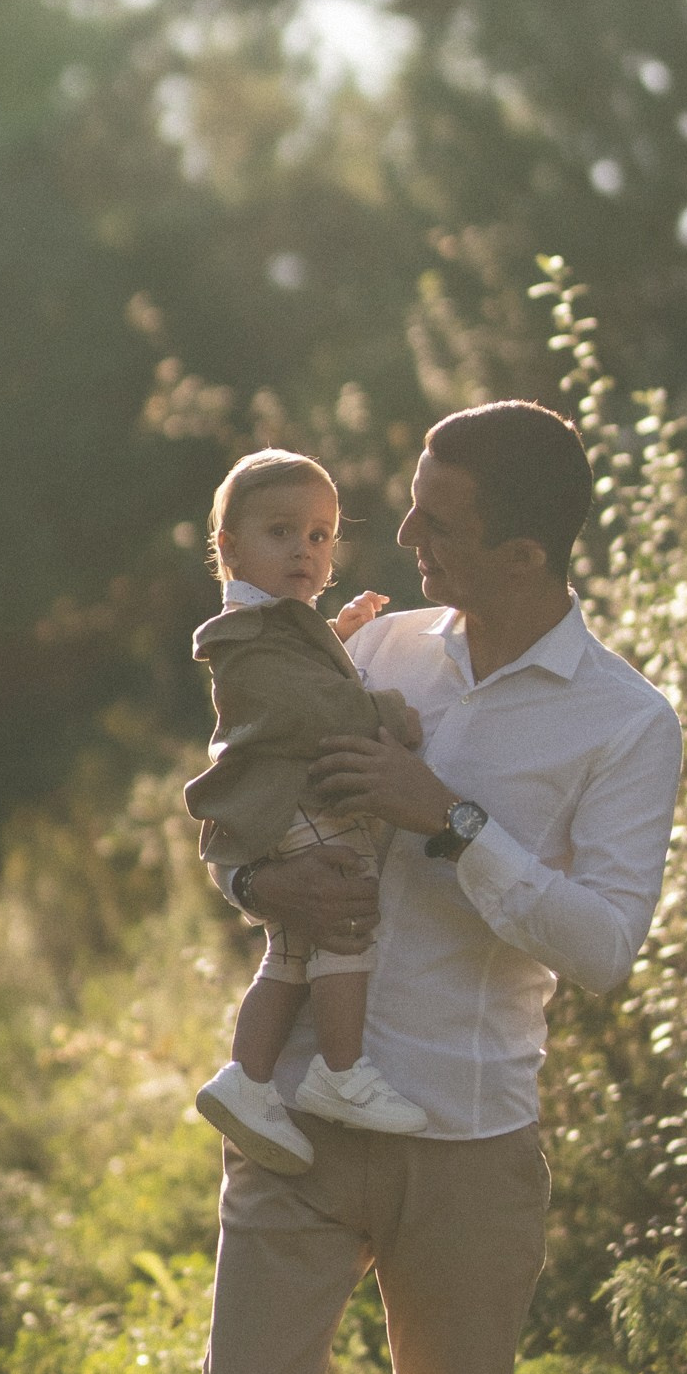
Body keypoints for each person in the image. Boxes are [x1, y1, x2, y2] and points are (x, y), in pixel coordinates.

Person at [185, 400, 684, 1374]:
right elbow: (247, 798)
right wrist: (263, 872)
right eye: (407, 506)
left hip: (472, 1143)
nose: (405, 539)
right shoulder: (376, 651)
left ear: (525, 548)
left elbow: (604, 947)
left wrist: (449, 818)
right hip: (311, 1126)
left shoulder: (623, 720)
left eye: (440, 519)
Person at [187, 449, 431, 1171]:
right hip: (302, 802)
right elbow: (314, 707)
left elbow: (307, 671)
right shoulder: (242, 636)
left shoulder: (275, 626)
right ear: (228, 549)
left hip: (285, 804)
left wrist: (339, 635)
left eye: (321, 536)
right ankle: (341, 1069)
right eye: (282, 532)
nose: (305, 549)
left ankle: (249, 1080)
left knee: (291, 954)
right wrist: (390, 713)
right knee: (346, 920)